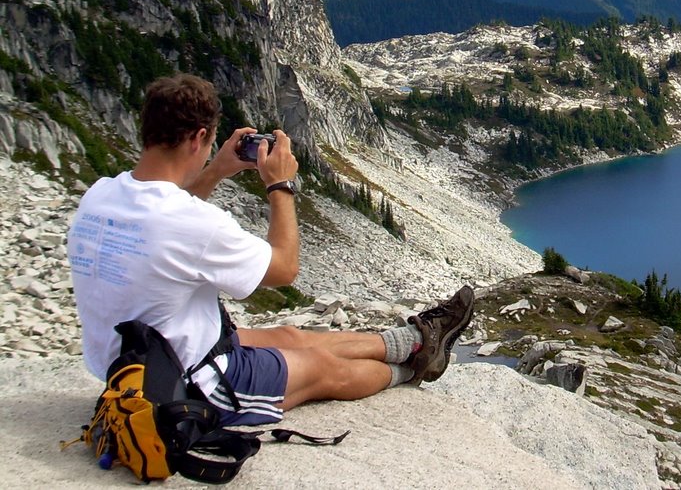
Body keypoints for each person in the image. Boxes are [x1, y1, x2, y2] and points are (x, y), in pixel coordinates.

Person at [68, 73, 474, 426]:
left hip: (131, 366)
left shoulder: (101, 195)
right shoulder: (193, 224)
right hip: (186, 387)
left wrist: (218, 170)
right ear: (199, 137)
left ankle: (414, 340)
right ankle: (410, 371)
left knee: (286, 335)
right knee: (322, 370)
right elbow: (284, 269)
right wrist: (280, 185)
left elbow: (168, 210)